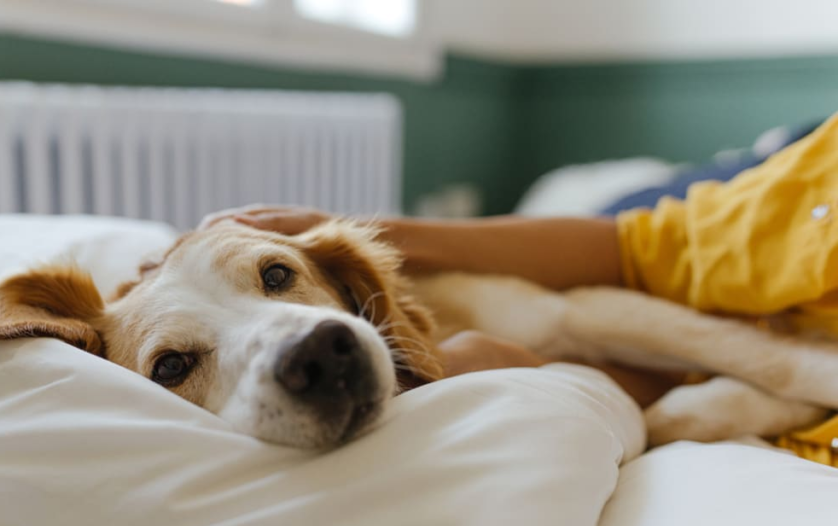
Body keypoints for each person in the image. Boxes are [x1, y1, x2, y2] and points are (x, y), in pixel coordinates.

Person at [204, 111, 838, 462]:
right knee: (638, 210)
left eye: (278, 279)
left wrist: (539, 372)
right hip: (682, 228)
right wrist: (372, 234)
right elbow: (640, 247)